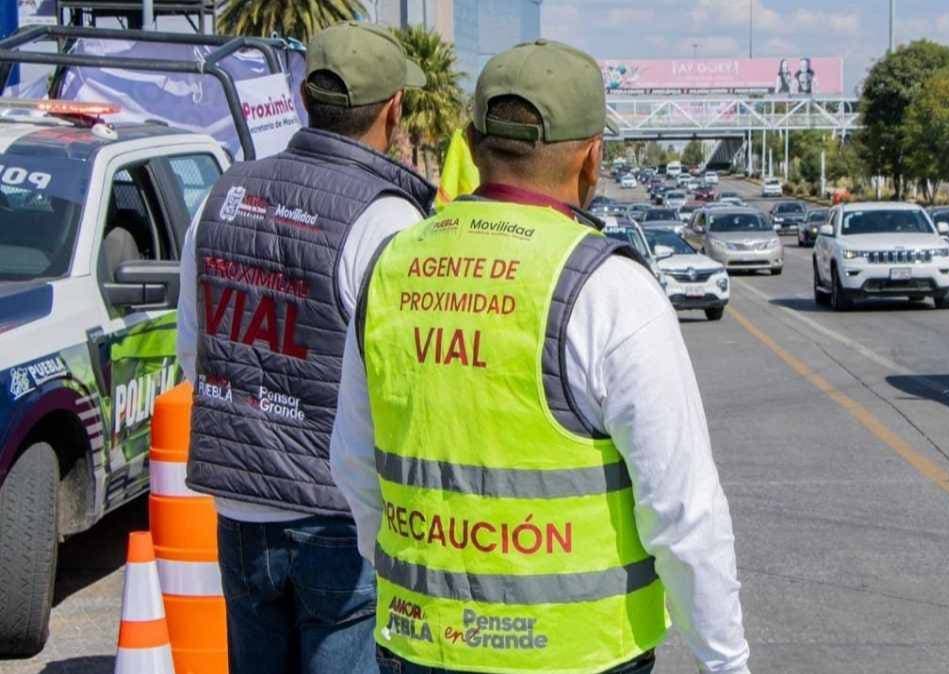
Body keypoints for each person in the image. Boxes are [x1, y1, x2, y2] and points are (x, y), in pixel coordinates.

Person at [330, 39, 750, 674]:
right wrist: (726, 661)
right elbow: (682, 512)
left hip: (420, 644)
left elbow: (354, 464)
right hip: (579, 653)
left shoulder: (391, 266)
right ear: (592, 158)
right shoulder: (609, 288)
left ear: (469, 144)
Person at [175, 22, 435, 674]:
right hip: (338, 521)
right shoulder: (388, 218)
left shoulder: (224, 193)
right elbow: (405, 394)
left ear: (304, 95)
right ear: (394, 107)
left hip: (238, 512)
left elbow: (193, 352)